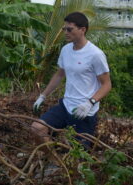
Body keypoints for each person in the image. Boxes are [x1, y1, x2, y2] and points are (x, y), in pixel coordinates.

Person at [31, 12, 112, 148]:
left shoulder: (95, 54)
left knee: (78, 154)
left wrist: (89, 103)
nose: (65, 32)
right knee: (37, 128)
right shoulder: (66, 50)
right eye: (64, 29)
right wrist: (42, 96)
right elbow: (59, 74)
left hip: (84, 112)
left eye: (70, 29)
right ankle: (53, 160)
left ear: (82, 30)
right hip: (66, 105)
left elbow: (107, 84)